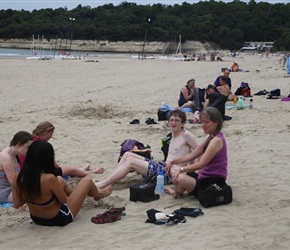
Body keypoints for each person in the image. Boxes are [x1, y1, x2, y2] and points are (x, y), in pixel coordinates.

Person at [12, 140, 111, 226]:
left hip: (36, 218)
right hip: (59, 218)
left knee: (59, 179)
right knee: (87, 181)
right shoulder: (48, 178)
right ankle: (98, 194)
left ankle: (78, 194)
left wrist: (33, 197)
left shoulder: (18, 176)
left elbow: (16, 204)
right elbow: (63, 200)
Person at [96, 109, 198, 190]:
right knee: (127, 154)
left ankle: (103, 184)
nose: (173, 123)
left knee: (131, 161)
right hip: (162, 166)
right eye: (171, 120)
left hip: (168, 174)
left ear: (183, 123)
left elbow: (198, 152)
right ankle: (111, 183)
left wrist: (194, 172)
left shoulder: (186, 135)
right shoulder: (174, 134)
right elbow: (189, 152)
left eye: (177, 120)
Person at [165, 107, 228, 198]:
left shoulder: (217, 140)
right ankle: (178, 193)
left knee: (180, 176)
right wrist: (173, 162)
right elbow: (192, 155)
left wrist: (181, 169)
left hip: (213, 181)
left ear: (216, 123)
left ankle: (177, 193)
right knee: (176, 171)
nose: (203, 125)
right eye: (202, 122)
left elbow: (201, 164)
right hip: (203, 177)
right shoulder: (210, 137)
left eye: (207, 122)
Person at [19, 121, 104, 177]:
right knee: (71, 170)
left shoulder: (32, 140)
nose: (51, 137)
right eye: (51, 134)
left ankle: (81, 170)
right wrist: (63, 171)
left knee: (68, 169)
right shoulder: (42, 145)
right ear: (45, 133)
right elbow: (54, 165)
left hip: (28, 171)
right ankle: (91, 172)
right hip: (35, 175)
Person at [0, 131, 34, 204]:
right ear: (19, 145)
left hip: (13, 189)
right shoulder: (6, 157)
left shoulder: (16, 154)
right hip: (4, 191)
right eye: (28, 147)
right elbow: (14, 182)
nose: (30, 150)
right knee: (35, 195)